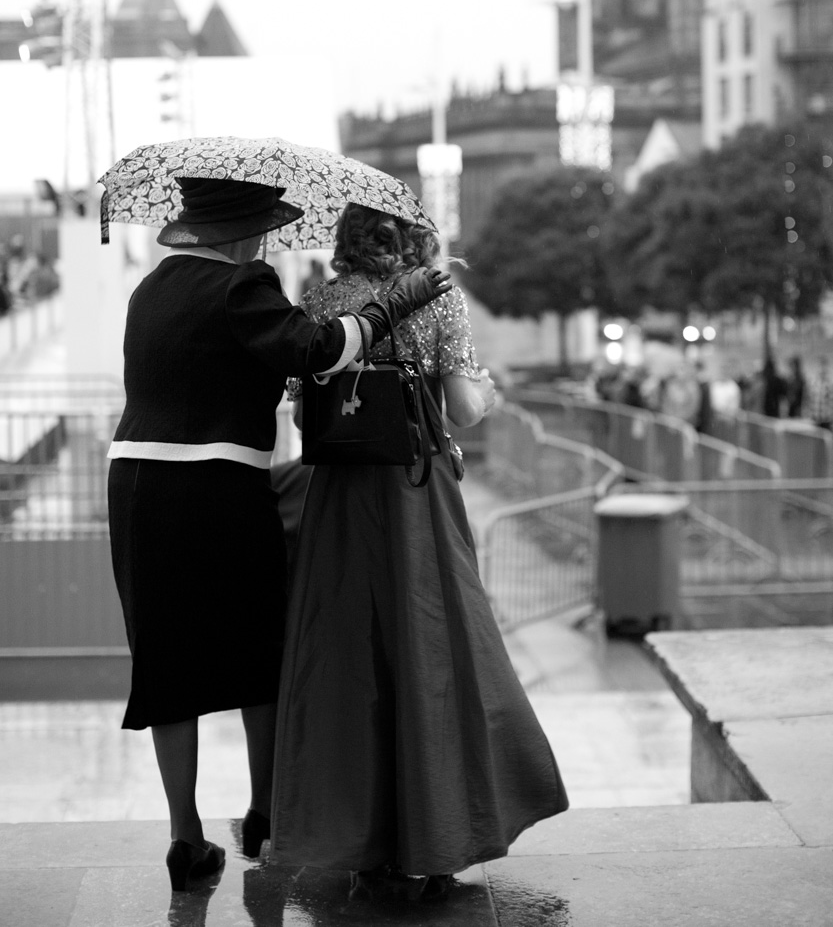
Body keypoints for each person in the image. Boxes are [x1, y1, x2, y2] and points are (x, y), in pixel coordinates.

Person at [106, 179, 450, 893]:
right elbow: (317, 351)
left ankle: (185, 838)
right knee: (255, 649)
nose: (266, 239)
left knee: (166, 659)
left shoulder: (151, 288)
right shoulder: (243, 284)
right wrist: (393, 304)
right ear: (239, 232)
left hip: (136, 484)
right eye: (261, 227)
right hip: (218, 486)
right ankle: (263, 814)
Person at [270, 204, 569, 901]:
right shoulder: (436, 295)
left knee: (349, 655)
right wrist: (484, 390)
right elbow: (464, 407)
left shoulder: (322, 300)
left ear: (345, 238)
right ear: (411, 236)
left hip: (339, 497)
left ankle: (362, 839)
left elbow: (297, 397)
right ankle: (437, 837)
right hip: (413, 495)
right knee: (432, 648)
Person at [808, 356, 833, 430]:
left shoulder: (830, 384)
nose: (821, 369)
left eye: (823, 366)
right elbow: (810, 400)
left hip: (826, 420)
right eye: (820, 366)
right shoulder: (813, 383)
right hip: (815, 419)